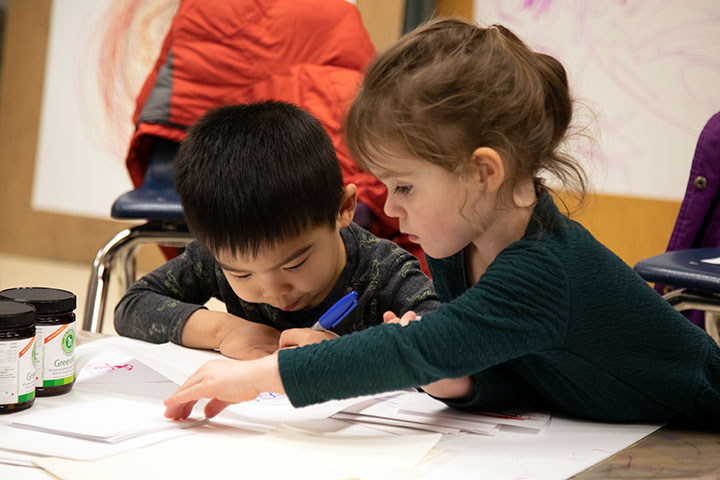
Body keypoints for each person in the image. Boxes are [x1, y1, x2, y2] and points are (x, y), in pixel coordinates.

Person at [163, 19, 720, 427]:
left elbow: (414, 349)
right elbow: (514, 370)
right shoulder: (458, 241)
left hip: (694, 432)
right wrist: (458, 380)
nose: (391, 207)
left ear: (483, 173)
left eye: (404, 186)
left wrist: (258, 378)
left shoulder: (543, 269)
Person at [114, 101, 439, 361]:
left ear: (342, 210)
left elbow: (448, 342)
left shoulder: (384, 272)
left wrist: (350, 357)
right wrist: (224, 330)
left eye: (294, 264)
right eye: (242, 276)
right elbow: (133, 306)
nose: (273, 290)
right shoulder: (223, 256)